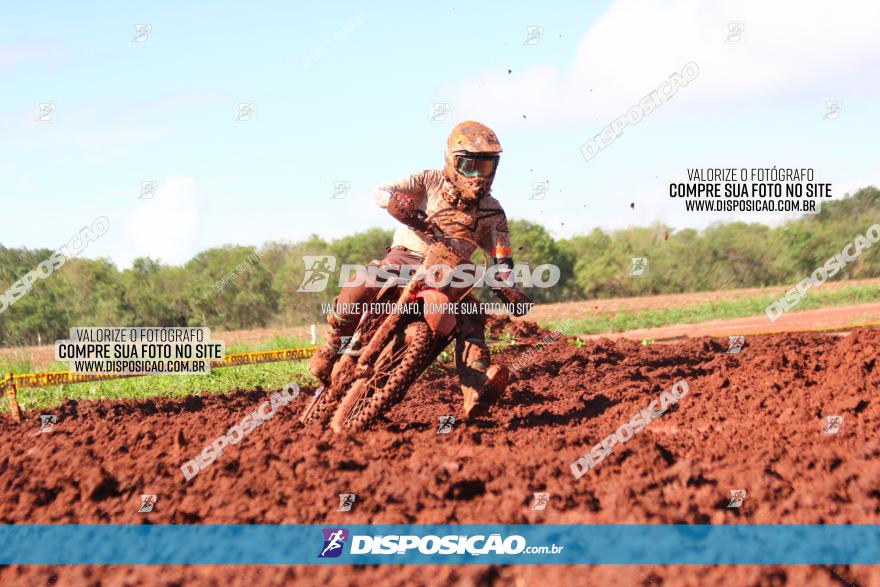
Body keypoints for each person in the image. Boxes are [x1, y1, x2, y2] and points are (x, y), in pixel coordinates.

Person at [308, 121, 531, 418]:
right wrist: (402, 208)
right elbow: (381, 190)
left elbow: (501, 258)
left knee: (473, 315)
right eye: (470, 165)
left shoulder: (493, 212)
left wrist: (510, 289)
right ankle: (332, 346)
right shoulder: (429, 180)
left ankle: (476, 385)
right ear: (452, 161)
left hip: (451, 276)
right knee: (361, 283)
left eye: (487, 166)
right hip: (407, 258)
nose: (478, 175)